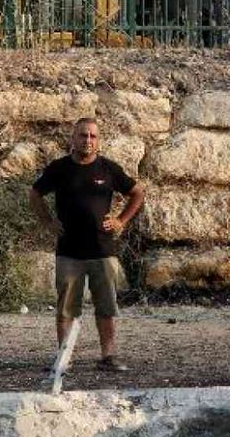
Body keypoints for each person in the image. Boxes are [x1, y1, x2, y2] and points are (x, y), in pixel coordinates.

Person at [29, 118, 147, 372]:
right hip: (69, 251)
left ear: (99, 141)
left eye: (93, 136)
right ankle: (64, 357)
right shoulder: (59, 169)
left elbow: (138, 193)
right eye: (83, 135)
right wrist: (48, 222)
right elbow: (35, 193)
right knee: (66, 307)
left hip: (102, 251)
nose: (88, 140)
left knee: (106, 306)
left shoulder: (108, 169)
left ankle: (108, 356)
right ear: (73, 138)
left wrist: (121, 220)